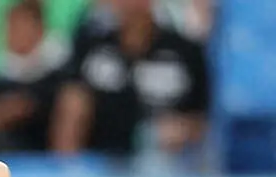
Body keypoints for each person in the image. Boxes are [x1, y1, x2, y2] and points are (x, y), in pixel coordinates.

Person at [50, 0, 210, 163]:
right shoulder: (91, 45)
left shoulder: (186, 52)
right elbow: (70, 96)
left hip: (165, 158)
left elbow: (204, 118)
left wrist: (182, 128)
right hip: (99, 155)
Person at [0, 0, 69, 154]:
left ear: (40, 30)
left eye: (23, 27)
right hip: (0, 152)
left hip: (41, 156)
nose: (15, 34)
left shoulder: (59, 73)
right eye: (11, 27)